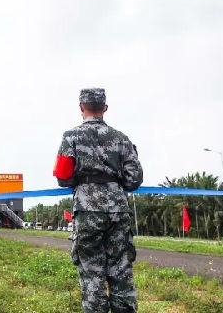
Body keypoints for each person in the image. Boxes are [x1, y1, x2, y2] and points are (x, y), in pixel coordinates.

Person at [52, 88, 143, 313]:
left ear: (82, 107)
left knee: (92, 273)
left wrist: (82, 177)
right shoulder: (122, 139)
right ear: (104, 108)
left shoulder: (70, 137)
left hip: (87, 210)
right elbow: (134, 179)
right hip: (117, 211)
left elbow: (63, 177)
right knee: (121, 271)